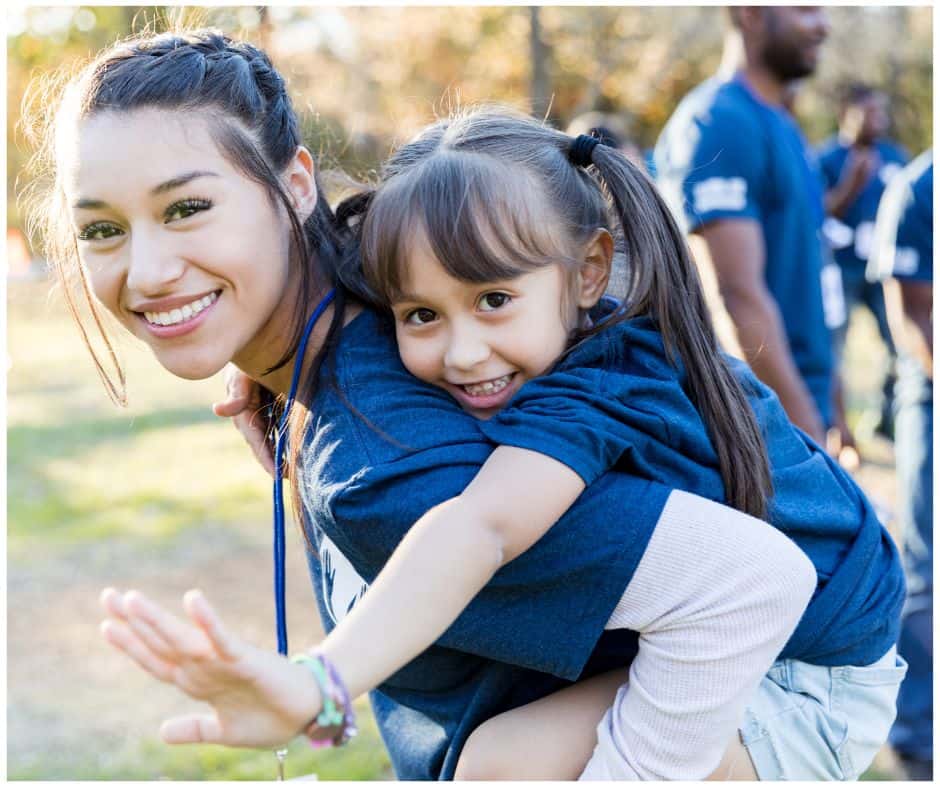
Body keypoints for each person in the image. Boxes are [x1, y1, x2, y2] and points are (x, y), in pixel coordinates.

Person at [24, 29, 903, 781]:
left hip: (805, 656)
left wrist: (322, 684)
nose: (143, 271)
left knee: (498, 770)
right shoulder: (412, 269)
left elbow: (744, 579)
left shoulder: (389, 465)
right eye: (102, 227)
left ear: (295, 185)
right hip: (814, 599)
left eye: (188, 207)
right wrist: (256, 364)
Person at [654, 7, 836, 446]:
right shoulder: (720, 121)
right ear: (751, 13)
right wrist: (803, 432)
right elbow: (736, 296)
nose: (823, 24)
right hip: (762, 424)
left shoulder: (780, 121)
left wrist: (833, 406)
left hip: (801, 402)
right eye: (805, 8)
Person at [869, 151, 933, 782]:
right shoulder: (918, 189)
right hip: (932, 393)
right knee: (927, 565)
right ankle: (918, 734)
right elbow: (912, 314)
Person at [817, 84, 908, 452]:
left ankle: (886, 418)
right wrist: (850, 185)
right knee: (836, 346)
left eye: (880, 113)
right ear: (846, 115)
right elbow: (819, 212)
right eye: (868, 113)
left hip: (885, 269)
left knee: (899, 341)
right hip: (841, 269)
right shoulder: (826, 159)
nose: (877, 121)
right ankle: (835, 425)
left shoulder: (895, 158)